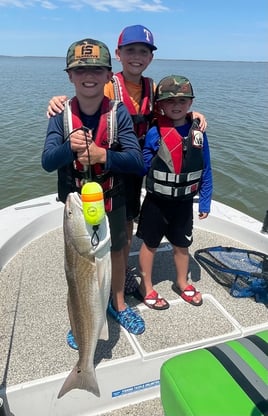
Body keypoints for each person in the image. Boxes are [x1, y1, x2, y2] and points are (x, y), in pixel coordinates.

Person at [46, 25, 208, 295]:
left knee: (129, 216)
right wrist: (55, 102)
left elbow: (171, 111)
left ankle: (121, 264)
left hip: (139, 162)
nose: (137, 56)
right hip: (108, 163)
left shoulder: (152, 87)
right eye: (130, 50)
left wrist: (194, 115)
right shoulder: (108, 85)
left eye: (143, 51)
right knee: (110, 220)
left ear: (150, 57)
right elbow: (84, 97)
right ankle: (109, 267)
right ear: (118, 55)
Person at [42, 38, 146, 347]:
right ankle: (79, 320)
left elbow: (137, 161)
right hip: (75, 207)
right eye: (81, 70)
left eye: (97, 70)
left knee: (115, 255)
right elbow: (48, 161)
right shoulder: (60, 115)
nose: (89, 76)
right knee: (75, 267)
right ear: (70, 75)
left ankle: (118, 303)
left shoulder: (119, 113)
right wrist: (67, 148)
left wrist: (104, 155)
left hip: (111, 201)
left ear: (107, 75)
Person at [134, 75, 213, 310]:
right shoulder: (153, 132)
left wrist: (205, 202)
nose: (176, 105)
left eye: (182, 100)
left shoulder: (199, 133)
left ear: (190, 104)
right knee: (150, 244)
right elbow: (144, 166)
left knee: (182, 245)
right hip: (155, 202)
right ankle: (145, 286)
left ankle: (182, 282)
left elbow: (206, 168)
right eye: (170, 101)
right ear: (160, 105)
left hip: (184, 202)